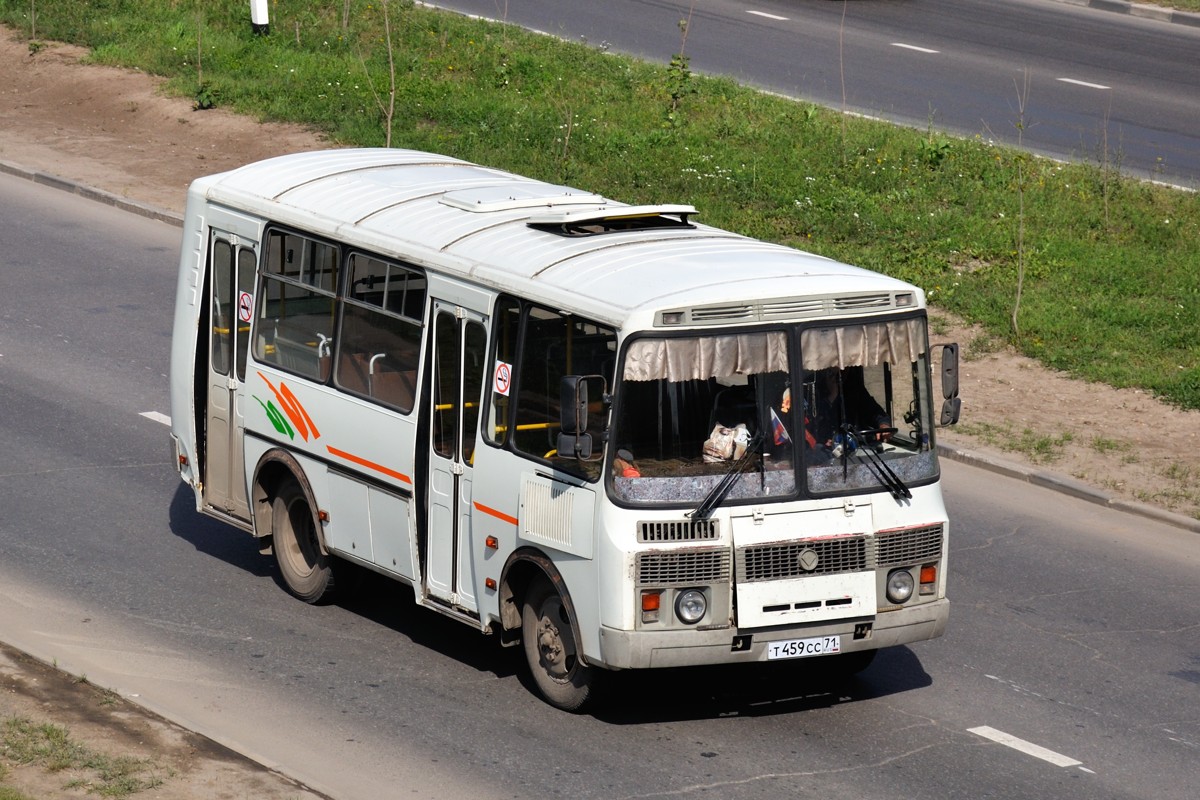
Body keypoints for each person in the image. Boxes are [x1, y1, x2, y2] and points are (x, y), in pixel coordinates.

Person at [805, 367, 892, 456]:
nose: (842, 371)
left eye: (845, 368)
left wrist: (883, 425)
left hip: (853, 449)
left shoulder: (853, 385)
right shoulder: (810, 387)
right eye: (836, 369)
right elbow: (812, 426)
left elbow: (874, 411)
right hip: (822, 454)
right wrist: (832, 396)